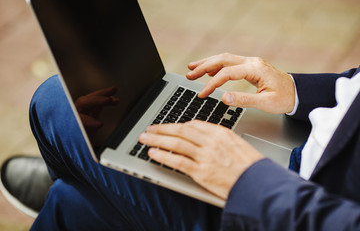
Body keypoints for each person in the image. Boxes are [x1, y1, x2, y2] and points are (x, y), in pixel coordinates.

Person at [3, 53, 360, 230]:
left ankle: (90, 176)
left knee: (55, 102)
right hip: (306, 147)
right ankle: (93, 181)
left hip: (286, 205)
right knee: (70, 202)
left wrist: (247, 180)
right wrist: (300, 91)